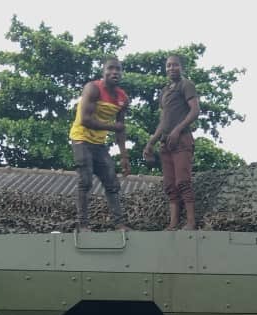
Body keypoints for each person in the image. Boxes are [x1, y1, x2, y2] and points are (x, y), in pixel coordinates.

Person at [69, 58, 131, 230]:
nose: (114, 72)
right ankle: (83, 224)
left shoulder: (122, 98)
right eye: (110, 69)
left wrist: (124, 156)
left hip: (99, 144)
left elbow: (121, 129)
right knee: (85, 180)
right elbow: (85, 120)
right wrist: (112, 126)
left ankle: (119, 223)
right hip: (81, 139)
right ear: (103, 72)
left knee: (112, 182)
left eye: (118, 69)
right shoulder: (93, 89)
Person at [144, 54, 200, 230]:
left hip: (182, 140)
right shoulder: (165, 91)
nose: (171, 68)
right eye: (168, 66)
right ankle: (173, 222)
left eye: (174, 65)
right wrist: (151, 142)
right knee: (169, 185)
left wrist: (177, 130)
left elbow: (195, 110)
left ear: (181, 67)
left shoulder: (186, 85)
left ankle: (191, 221)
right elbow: (163, 121)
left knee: (183, 181)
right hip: (166, 143)